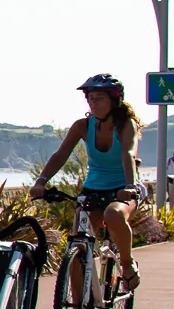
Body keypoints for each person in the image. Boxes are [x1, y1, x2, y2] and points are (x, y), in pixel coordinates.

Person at [32, 73, 143, 292]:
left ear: (114, 100)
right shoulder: (82, 126)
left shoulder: (125, 125)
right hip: (93, 189)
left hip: (123, 188)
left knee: (114, 214)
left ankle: (128, 264)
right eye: (90, 98)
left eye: (99, 98)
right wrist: (42, 180)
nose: (94, 103)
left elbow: (128, 154)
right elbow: (60, 155)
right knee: (77, 245)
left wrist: (129, 187)